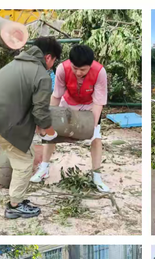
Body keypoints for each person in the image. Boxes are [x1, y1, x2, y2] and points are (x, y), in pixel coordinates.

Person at [0, 37, 61, 220]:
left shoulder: (12, 65)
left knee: (17, 152)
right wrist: (50, 132)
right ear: (48, 57)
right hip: (7, 124)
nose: (52, 65)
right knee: (24, 162)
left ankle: (15, 197)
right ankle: (14, 205)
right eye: (54, 61)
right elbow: (41, 111)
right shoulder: (41, 74)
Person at [31, 45, 110, 192]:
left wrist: (92, 127)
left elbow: (99, 102)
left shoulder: (100, 72)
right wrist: (49, 116)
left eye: (83, 70)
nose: (78, 73)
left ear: (90, 65)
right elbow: (56, 95)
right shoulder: (62, 68)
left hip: (89, 106)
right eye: (75, 68)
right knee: (50, 135)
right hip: (67, 104)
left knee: (96, 138)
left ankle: (97, 175)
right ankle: (44, 169)